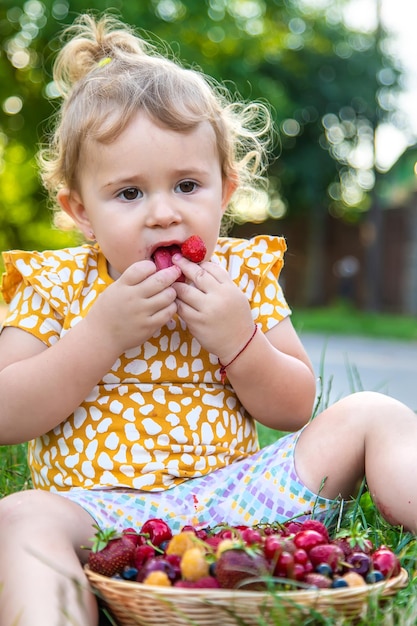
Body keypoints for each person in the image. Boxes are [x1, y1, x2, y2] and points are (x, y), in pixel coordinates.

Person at [0, 12, 416, 626]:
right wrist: (99, 336)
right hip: (99, 512)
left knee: (373, 414)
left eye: (187, 185)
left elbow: (294, 408)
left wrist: (239, 340)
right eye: (129, 194)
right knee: (20, 518)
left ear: (226, 190)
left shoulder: (241, 278)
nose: (164, 214)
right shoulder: (54, 287)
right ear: (80, 210)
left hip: (241, 504)